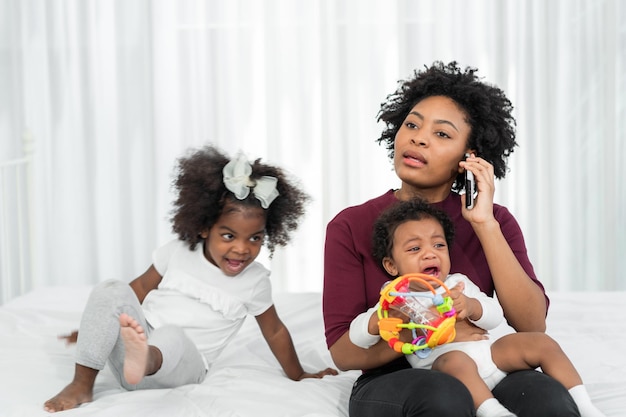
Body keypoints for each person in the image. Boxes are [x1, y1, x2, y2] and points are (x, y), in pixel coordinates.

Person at [322, 61, 582, 416]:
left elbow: (532, 325)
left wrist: (484, 224)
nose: (418, 137)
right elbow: (343, 353)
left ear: (468, 157)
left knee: (545, 396)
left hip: (488, 365)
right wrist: (434, 333)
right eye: (411, 124)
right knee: (444, 395)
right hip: (393, 379)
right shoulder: (350, 225)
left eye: (442, 134)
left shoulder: (494, 221)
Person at [44, 145, 337, 412]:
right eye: (228, 235)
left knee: (172, 335)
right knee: (111, 288)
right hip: (131, 355)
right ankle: (82, 384)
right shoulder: (177, 252)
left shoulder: (255, 280)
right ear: (203, 228)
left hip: (183, 365)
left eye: (255, 238)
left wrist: (299, 374)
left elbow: (274, 331)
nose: (242, 248)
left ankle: (145, 357)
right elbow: (138, 290)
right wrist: (94, 328)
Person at [349, 198, 605, 417]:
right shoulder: (395, 298)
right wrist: (373, 324)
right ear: (392, 266)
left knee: (539, 341)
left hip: (490, 357)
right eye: (415, 248)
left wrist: (471, 307)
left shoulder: (458, 283)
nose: (430, 254)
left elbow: (495, 316)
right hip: (448, 367)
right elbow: (356, 335)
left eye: (439, 245)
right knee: (455, 360)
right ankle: (493, 411)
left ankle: (585, 405)